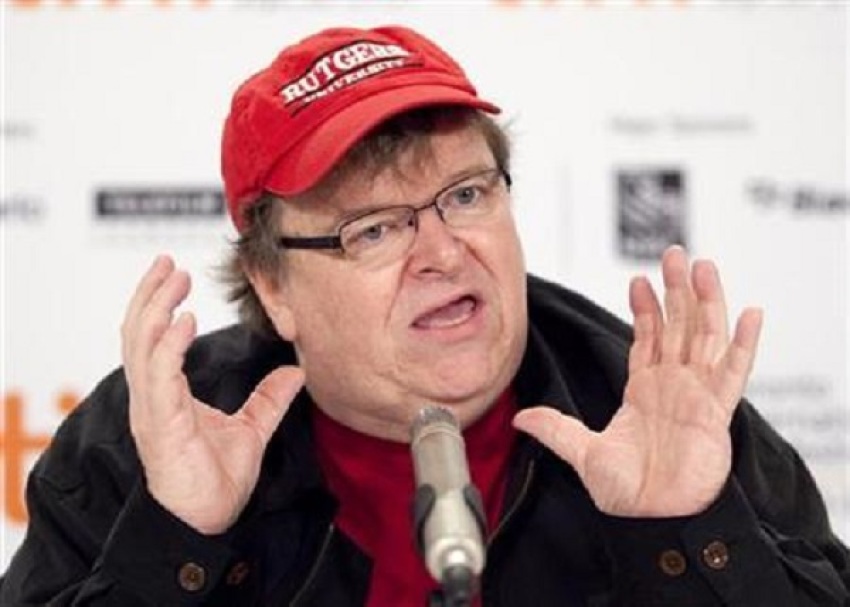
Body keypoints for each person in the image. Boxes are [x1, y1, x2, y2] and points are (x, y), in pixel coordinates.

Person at [1, 24, 848, 607]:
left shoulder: (654, 406)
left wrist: (688, 534)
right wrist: (176, 538)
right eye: (375, 227)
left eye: (466, 194)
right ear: (273, 287)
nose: (443, 252)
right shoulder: (150, 440)